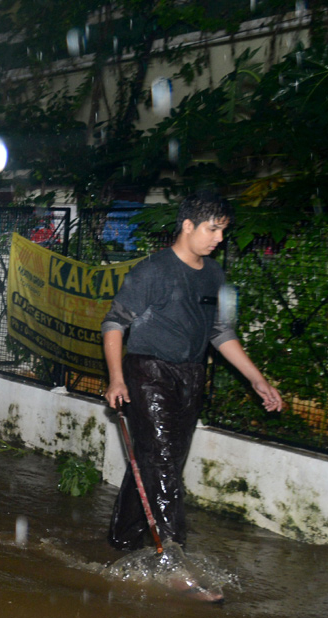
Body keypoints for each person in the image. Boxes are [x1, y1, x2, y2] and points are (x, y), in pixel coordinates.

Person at [101, 190, 283, 552]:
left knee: (160, 461)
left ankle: (123, 536)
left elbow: (222, 330)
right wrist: (117, 378)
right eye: (213, 230)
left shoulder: (217, 274)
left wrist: (256, 378)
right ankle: (174, 557)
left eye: (223, 231)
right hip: (147, 373)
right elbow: (114, 323)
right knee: (163, 462)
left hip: (191, 377)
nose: (219, 239)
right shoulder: (152, 270)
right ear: (188, 225)